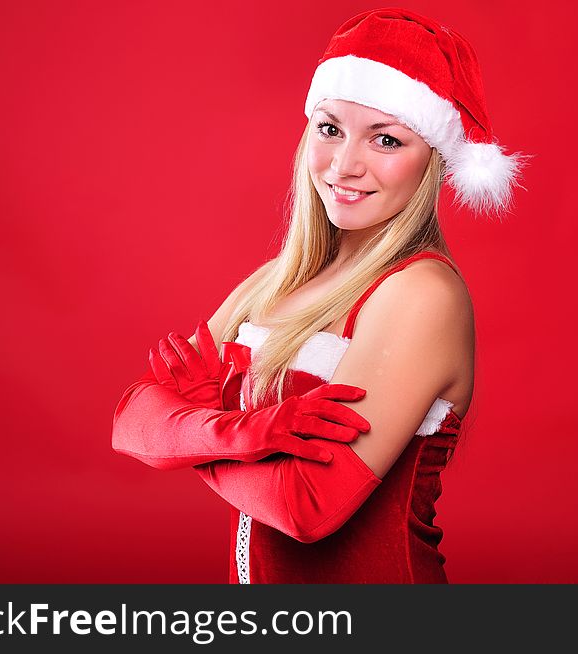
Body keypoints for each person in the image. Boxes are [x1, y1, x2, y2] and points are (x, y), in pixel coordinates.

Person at [112, 7, 524, 583]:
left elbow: (305, 505)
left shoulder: (422, 293)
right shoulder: (276, 281)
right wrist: (244, 435)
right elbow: (130, 422)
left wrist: (187, 435)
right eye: (330, 128)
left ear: (432, 160)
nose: (344, 165)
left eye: (385, 139)